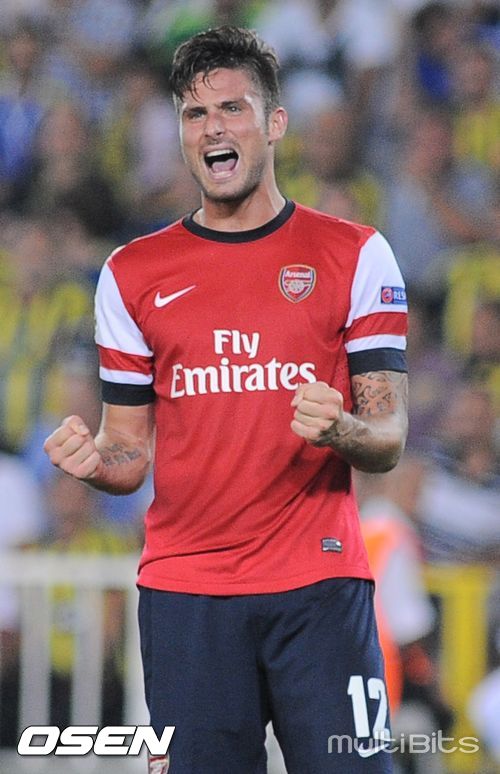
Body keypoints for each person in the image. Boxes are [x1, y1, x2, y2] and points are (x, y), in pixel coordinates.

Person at [44, 26, 408, 774]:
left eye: (232, 108)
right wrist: (94, 463)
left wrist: (341, 427)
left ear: (275, 123)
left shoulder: (356, 254)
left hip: (320, 589)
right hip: (188, 596)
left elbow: (388, 436)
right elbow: (128, 453)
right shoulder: (131, 273)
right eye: (194, 114)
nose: (212, 128)